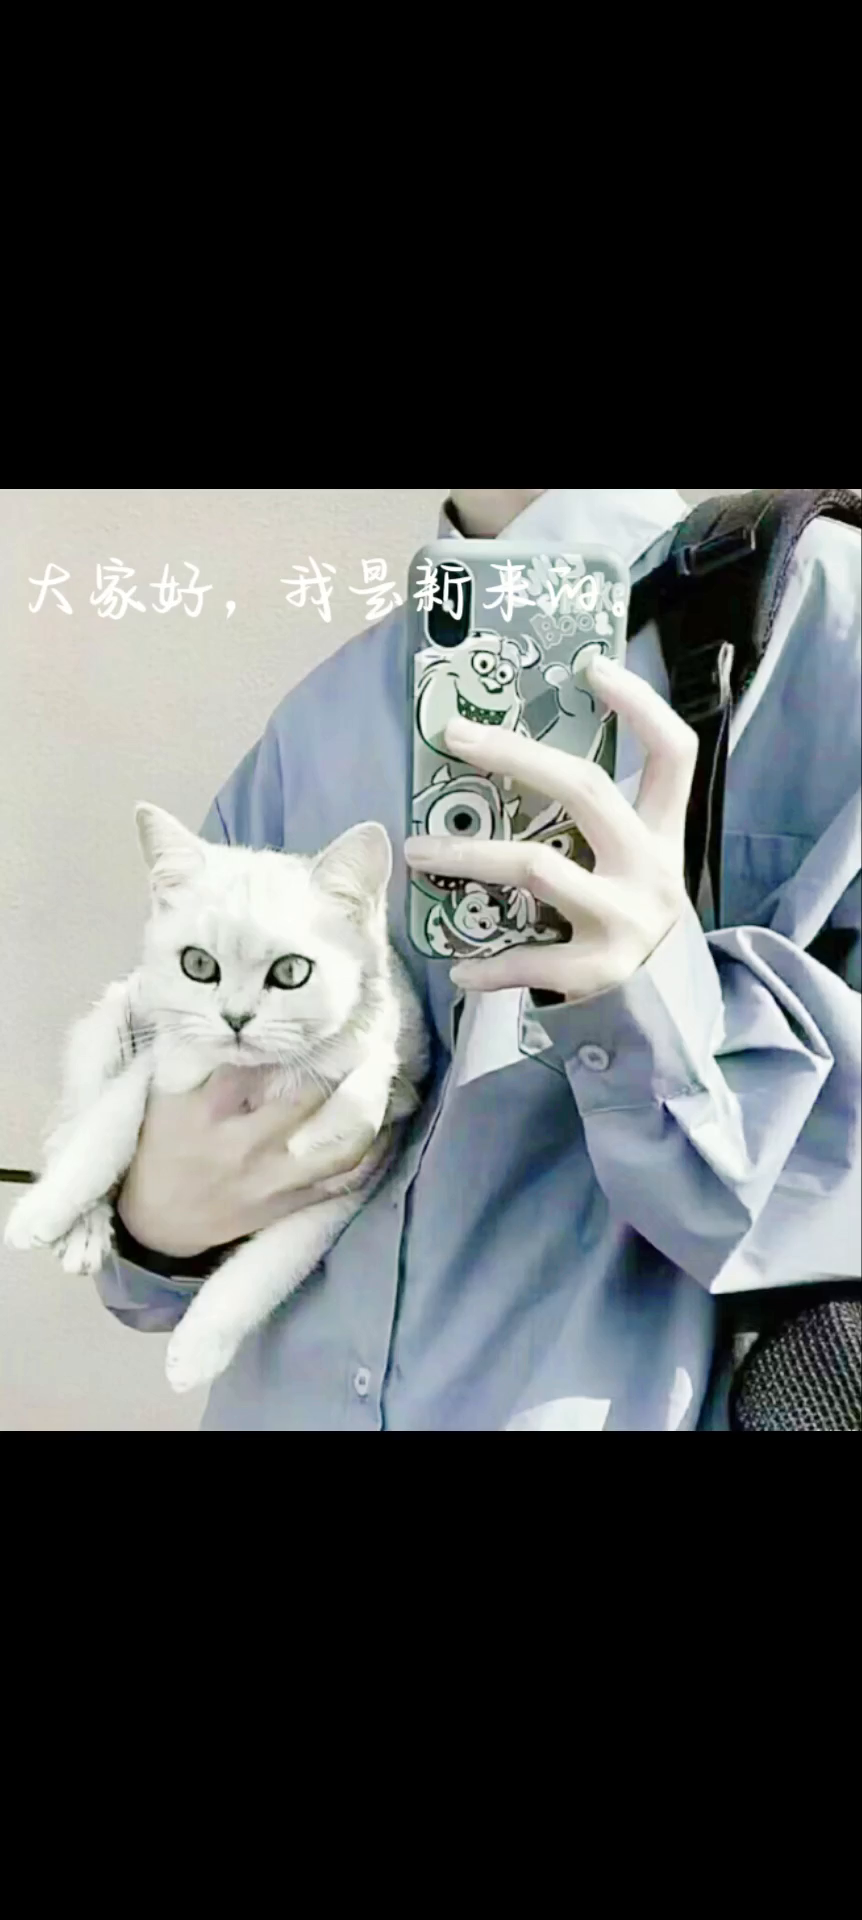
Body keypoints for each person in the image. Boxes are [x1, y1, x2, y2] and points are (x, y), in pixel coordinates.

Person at [103, 488, 862, 1431]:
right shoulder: (322, 717)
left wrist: (658, 1002)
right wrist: (153, 1224)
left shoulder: (831, 622)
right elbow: (145, 1264)